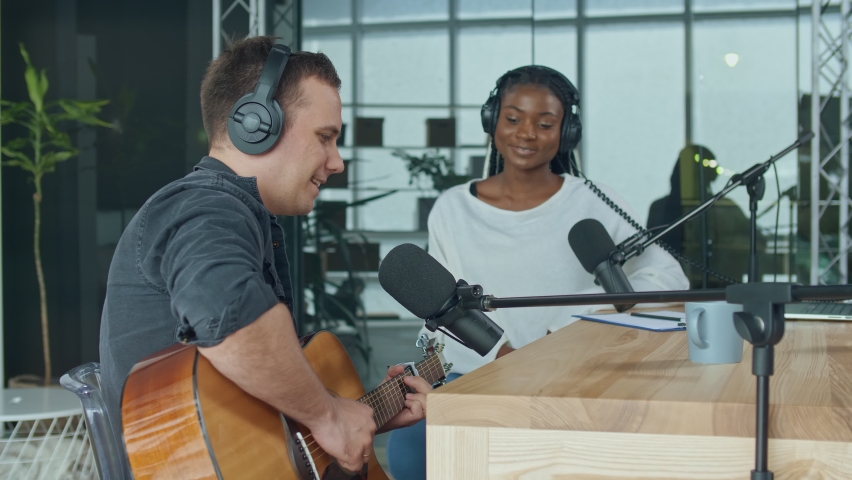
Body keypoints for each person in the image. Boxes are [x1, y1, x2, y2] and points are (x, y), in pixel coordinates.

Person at [99, 35, 431, 476]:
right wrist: (329, 418)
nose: (337, 162)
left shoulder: (237, 213)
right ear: (256, 124)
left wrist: (359, 415)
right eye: (325, 137)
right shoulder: (204, 208)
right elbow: (229, 316)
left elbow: (255, 418)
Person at [385, 65, 689, 480]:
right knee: (412, 449)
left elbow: (668, 277)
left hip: (572, 380)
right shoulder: (452, 209)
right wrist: (504, 360)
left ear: (566, 133)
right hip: (479, 377)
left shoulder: (593, 203)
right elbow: (444, 314)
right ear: (492, 122)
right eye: (512, 119)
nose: (526, 133)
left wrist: (579, 325)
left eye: (545, 123)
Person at [647, 145, 766, 287]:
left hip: (720, 290)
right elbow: (650, 255)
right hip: (672, 289)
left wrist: (725, 243)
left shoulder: (725, 208)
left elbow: (758, 241)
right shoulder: (660, 208)